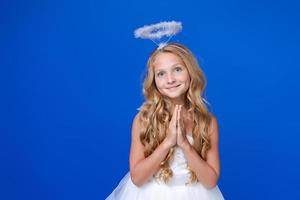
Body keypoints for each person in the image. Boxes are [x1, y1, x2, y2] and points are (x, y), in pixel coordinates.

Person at [105, 42, 225, 200]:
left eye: (177, 69)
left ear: (190, 72)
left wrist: (184, 144)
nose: (170, 79)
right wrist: (168, 142)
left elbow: (210, 181)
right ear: (153, 81)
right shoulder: (144, 120)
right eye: (161, 73)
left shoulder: (207, 122)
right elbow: (137, 178)